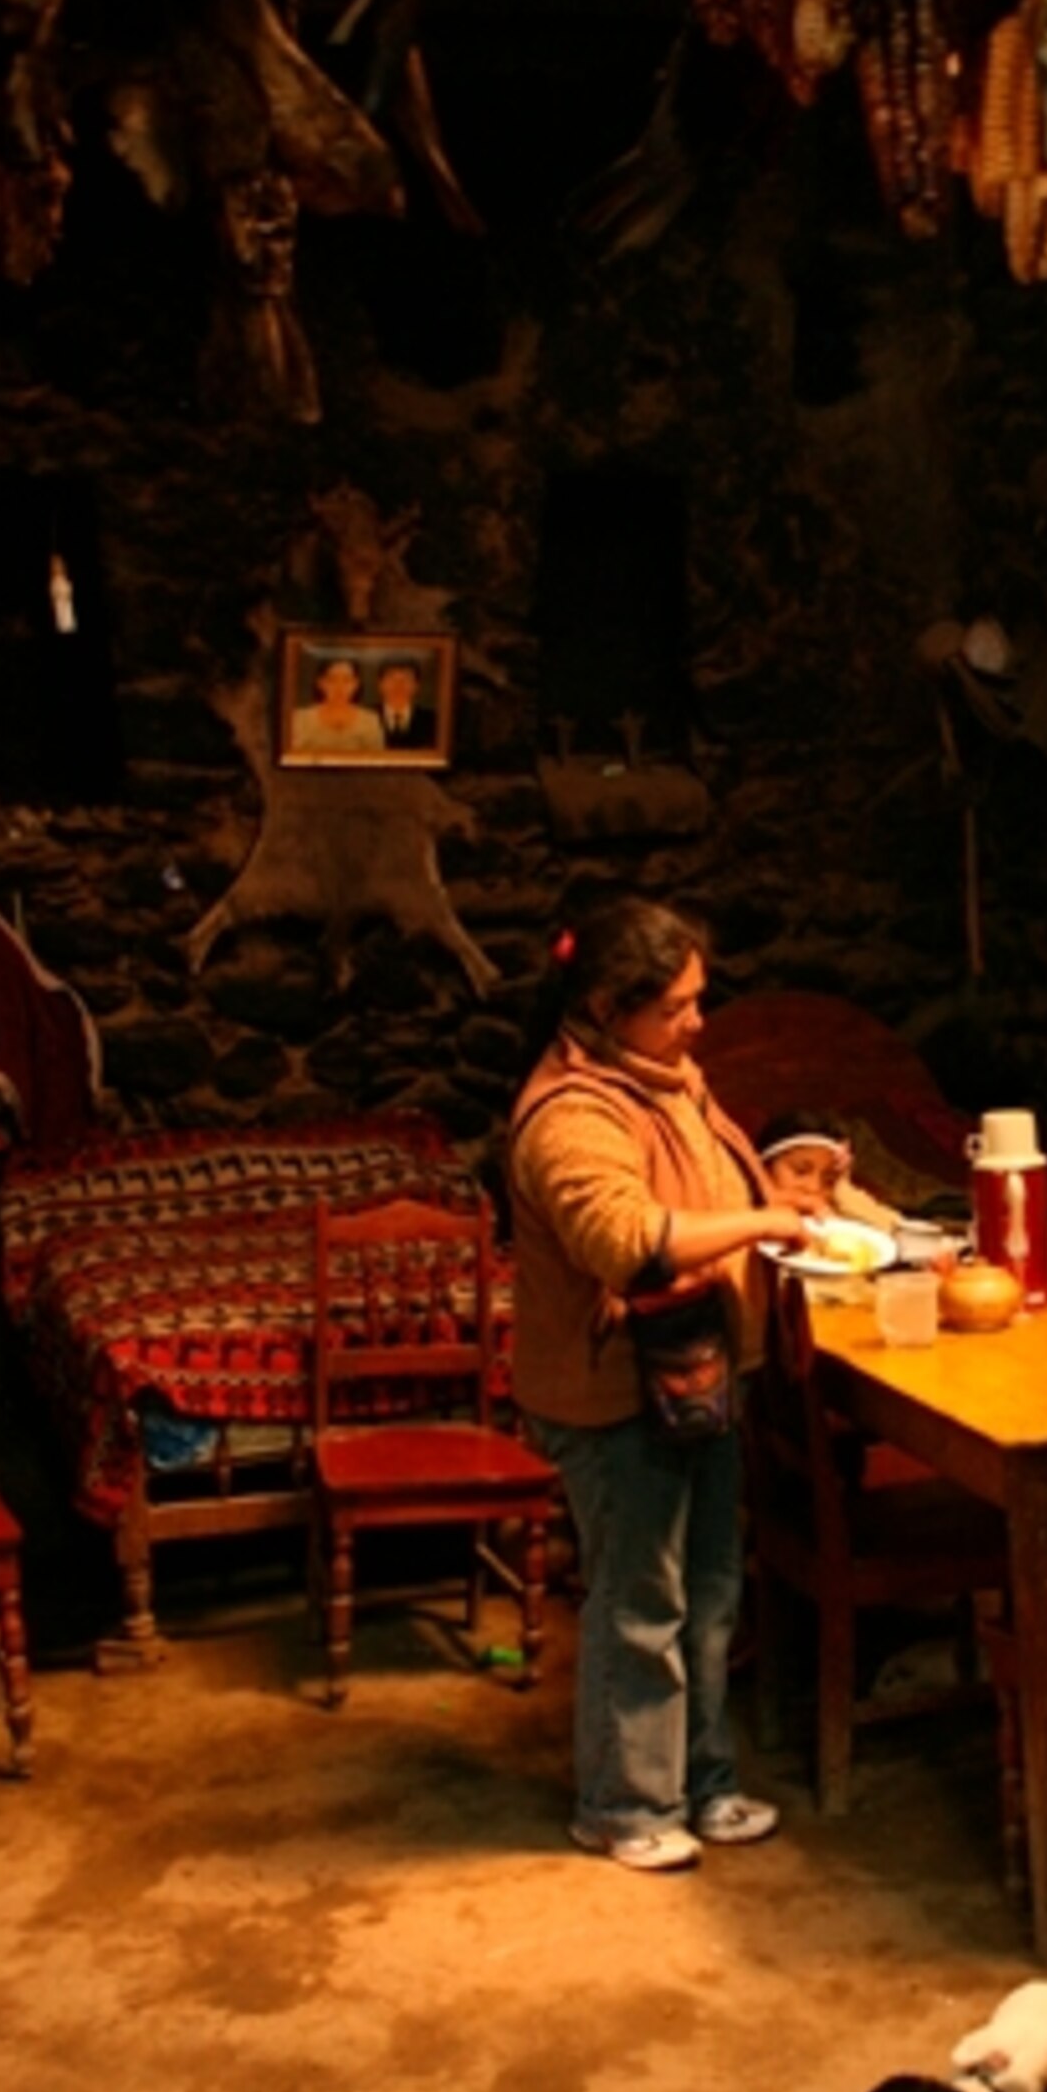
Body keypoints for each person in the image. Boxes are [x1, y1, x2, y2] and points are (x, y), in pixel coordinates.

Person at [509, 898, 812, 1870]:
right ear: (608, 1007)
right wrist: (761, 1228)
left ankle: (703, 1785)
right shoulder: (572, 1114)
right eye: (676, 1006)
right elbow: (629, 1241)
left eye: (697, 999)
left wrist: (779, 1196)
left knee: (712, 1590)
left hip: (694, 1374)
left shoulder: (669, 1080)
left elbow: (702, 1191)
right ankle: (625, 1805)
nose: (697, 1022)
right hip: (617, 1392)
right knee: (641, 1600)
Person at [756, 1106, 902, 1234]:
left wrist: (843, 1189)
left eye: (828, 1181)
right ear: (764, 1168)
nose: (814, 1188)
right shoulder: (746, 1214)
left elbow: (893, 1230)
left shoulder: (827, 1219)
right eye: (800, 1172)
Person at [290, 653, 385, 754]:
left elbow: (377, 758)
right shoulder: (301, 718)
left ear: (356, 684)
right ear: (320, 683)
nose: (339, 687)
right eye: (332, 680)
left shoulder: (370, 720)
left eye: (347, 680)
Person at [374, 657, 438, 749]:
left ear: (416, 686)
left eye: (407, 679)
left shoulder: (434, 721)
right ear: (380, 684)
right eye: (391, 679)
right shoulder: (364, 718)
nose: (398, 685)